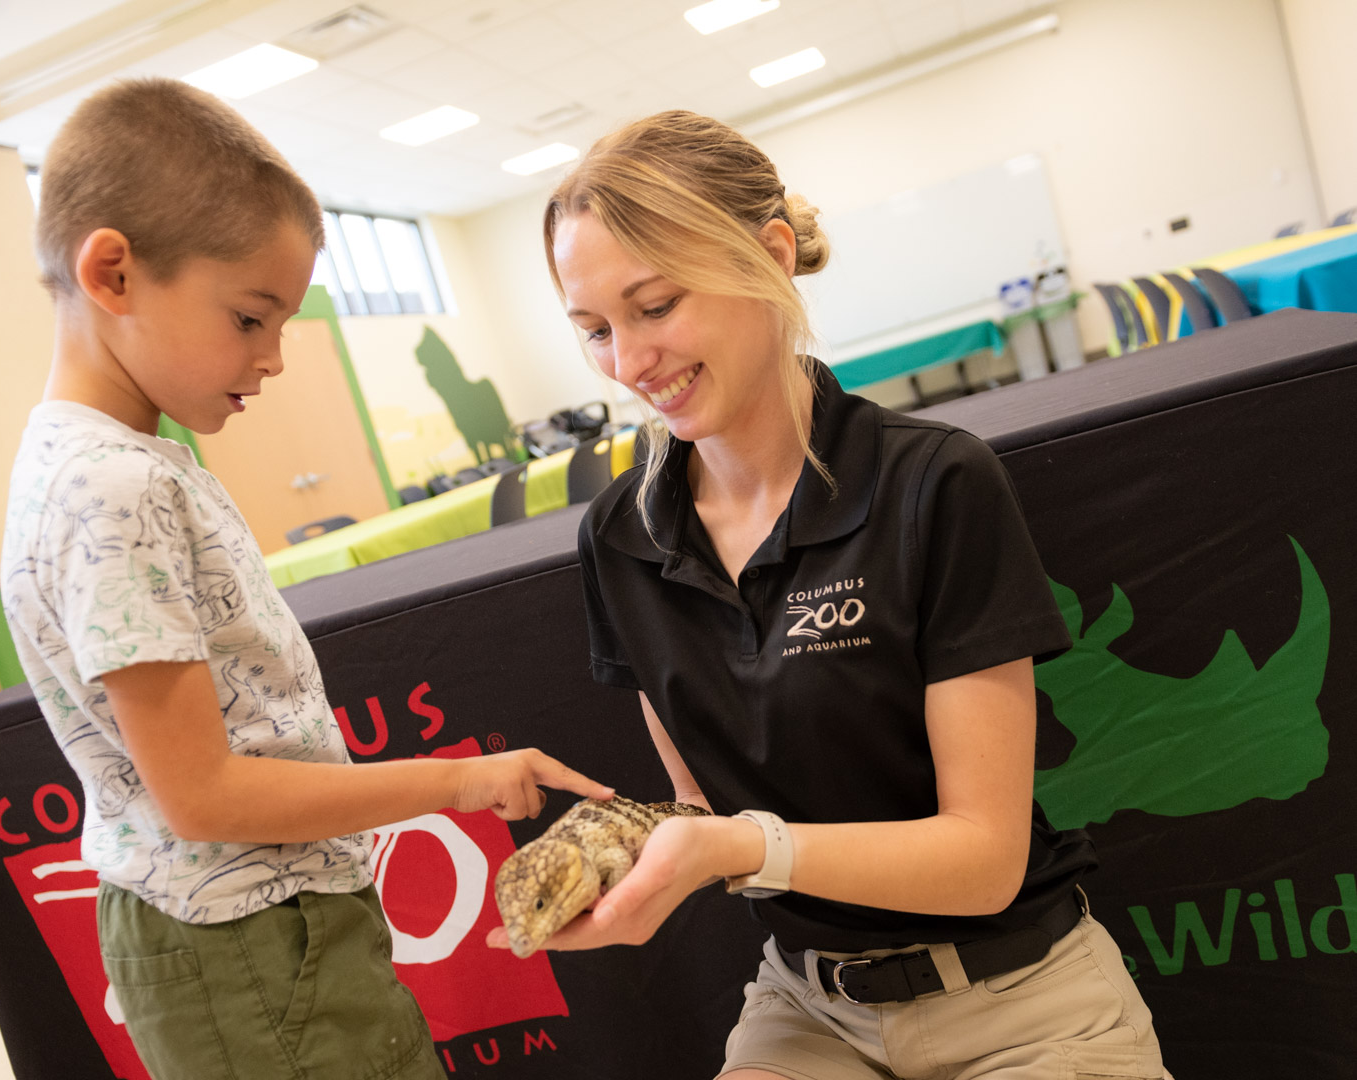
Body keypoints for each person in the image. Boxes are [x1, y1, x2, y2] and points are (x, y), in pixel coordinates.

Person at [489, 110, 1168, 1079]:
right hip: (808, 1008)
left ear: (767, 256)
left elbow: (981, 860)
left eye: (656, 306)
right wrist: (618, 855)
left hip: (1022, 1004)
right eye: (594, 330)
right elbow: (698, 807)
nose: (628, 366)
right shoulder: (622, 540)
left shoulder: (933, 483)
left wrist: (738, 850)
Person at [0, 78, 612, 1080]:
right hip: (240, 938)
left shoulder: (123, 459)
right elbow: (201, 794)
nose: (273, 358)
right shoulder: (108, 483)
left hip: (266, 923)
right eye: (249, 318)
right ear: (111, 272)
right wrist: (457, 780)